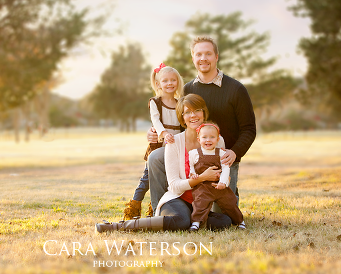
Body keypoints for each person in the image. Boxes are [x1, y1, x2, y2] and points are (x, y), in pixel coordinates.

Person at [147, 35, 256, 212]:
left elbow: (249, 129)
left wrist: (235, 153)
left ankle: (221, 197)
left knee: (221, 217)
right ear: (193, 58)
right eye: (198, 54)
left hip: (222, 158)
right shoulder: (187, 90)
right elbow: (179, 122)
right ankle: (162, 210)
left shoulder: (236, 89)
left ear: (216, 57)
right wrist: (155, 132)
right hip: (189, 155)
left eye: (208, 54)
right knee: (155, 158)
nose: (203, 58)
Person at [95, 94, 232, 233]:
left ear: (203, 113)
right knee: (181, 220)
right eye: (188, 112)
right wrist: (202, 178)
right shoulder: (174, 142)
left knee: (224, 221)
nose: (193, 115)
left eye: (197, 110)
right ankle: (118, 226)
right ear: (182, 117)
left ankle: (192, 220)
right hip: (178, 198)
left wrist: (224, 179)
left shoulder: (217, 140)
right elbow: (174, 185)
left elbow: (221, 172)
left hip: (201, 202)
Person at [123, 63, 184, 220]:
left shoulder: (180, 103)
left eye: (173, 80)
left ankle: (156, 208)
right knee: (147, 177)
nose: (169, 83)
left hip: (175, 146)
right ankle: (134, 206)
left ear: (178, 82)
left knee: (164, 178)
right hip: (159, 144)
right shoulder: (155, 102)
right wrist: (163, 133)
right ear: (158, 84)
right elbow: (156, 121)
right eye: (165, 81)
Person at [188, 122, 245, 231]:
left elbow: (225, 168)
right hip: (203, 186)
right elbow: (190, 165)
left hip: (219, 185)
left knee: (230, 202)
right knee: (200, 203)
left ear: (218, 139)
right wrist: (193, 174)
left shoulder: (221, 153)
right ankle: (196, 223)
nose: (208, 140)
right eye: (204, 137)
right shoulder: (194, 153)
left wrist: (223, 182)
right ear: (199, 139)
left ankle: (240, 221)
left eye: (212, 137)